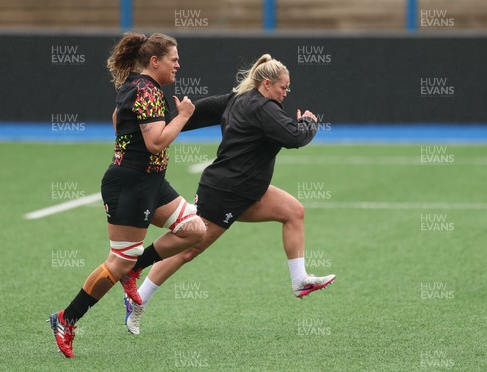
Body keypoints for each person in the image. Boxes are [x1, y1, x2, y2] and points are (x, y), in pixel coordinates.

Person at [121, 54, 336, 335]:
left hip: (250, 190)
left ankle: (299, 280)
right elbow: (294, 137)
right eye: (284, 88)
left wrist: (167, 123)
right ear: (267, 84)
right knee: (187, 250)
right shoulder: (264, 108)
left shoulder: (236, 99)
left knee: (293, 211)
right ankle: (137, 301)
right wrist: (309, 122)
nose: (286, 94)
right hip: (225, 192)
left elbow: (195, 113)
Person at [47, 32, 208, 358]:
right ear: (154, 61)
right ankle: (66, 318)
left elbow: (118, 120)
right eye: (173, 60)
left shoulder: (136, 86)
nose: (178, 65)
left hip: (150, 182)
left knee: (194, 230)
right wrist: (184, 116)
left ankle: (137, 267)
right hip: (131, 186)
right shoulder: (146, 91)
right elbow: (156, 142)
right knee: (118, 261)